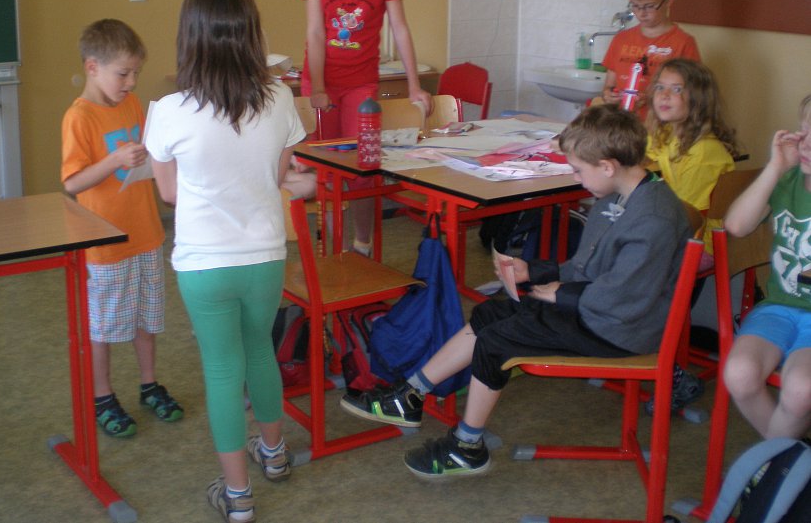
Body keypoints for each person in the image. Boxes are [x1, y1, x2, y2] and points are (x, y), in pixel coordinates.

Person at [341, 104, 693, 479]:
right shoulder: (618, 194)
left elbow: (626, 298)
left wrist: (560, 294)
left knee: (496, 341)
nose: (577, 180)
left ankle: (467, 446)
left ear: (607, 166)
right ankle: (409, 394)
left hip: (619, 329)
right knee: (489, 314)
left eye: (578, 170)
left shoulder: (652, 218)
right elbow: (587, 267)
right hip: (597, 310)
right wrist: (534, 271)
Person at [146, 0, 306, 522]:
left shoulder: (168, 109)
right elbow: (277, 176)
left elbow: (169, 193)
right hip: (264, 255)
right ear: (251, 33)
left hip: (204, 263)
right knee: (259, 350)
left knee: (221, 369)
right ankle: (275, 454)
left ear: (189, 37)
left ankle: (238, 496)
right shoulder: (280, 97)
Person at [60, 19, 183, 438]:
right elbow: (72, 183)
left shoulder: (130, 104)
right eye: (123, 74)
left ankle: (149, 384)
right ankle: (102, 395)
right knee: (105, 326)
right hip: (106, 243)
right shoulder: (79, 117)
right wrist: (115, 160)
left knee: (147, 318)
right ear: (92, 67)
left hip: (145, 233)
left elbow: (148, 152)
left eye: (135, 74)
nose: (131, 83)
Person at [299, 0, 432, 255]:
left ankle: (362, 243)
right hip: (322, 81)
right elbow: (315, 32)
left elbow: (400, 29)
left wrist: (415, 86)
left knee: (362, 165)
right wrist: (319, 87)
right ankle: (335, 249)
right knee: (328, 168)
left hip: (361, 82)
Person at [644, 57, 740, 414]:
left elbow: (685, 218)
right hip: (678, 235)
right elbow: (644, 159)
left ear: (697, 100)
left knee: (636, 279)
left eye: (676, 89)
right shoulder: (670, 135)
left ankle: (674, 375)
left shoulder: (704, 152)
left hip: (698, 243)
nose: (664, 95)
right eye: (660, 88)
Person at [721, 95, 811, 440]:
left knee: (801, 390)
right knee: (740, 374)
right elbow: (736, 226)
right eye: (804, 131)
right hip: (778, 307)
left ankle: (776, 463)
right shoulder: (786, 181)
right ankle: (786, 458)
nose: (806, 143)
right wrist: (775, 168)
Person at [598, 0, 701, 116]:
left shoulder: (683, 43)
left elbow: (692, 97)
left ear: (669, 0)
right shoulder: (621, 40)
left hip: (661, 127)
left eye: (649, 6)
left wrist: (651, 100)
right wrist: (609, 95)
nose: (641, 13)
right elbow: (608, 87)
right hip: (624, 125)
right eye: (635, 5)